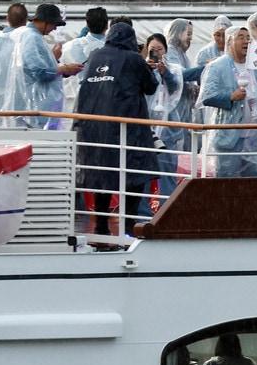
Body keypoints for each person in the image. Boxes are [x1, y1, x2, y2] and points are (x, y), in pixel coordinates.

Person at [76, 20, 158, 229]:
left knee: (101, 176)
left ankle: (101, 223)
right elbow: (150, 87)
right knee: (135, 174)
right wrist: (149, 69)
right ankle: (129, 223)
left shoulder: (95, 56)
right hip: (127, 129)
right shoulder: (132, 58)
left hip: (95, 129)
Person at [198, 24, 257, 178]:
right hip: (228, 139)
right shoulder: (217, 66)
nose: (246, 41)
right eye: (241, 37)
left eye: (248, 38)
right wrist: (230, 97)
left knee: (251, 185)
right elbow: (206, 97)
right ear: (230, 41)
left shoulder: (256, 68)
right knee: (226, 185)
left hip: (254, 139)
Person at [0, 3, 83, 129]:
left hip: (34, 109)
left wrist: (57, 63)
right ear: (45, 22)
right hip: (35, 111)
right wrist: (63, 69)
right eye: (54, 24)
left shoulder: (32, 36)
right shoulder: (32, 37)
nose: (54, 29)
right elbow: (39, 72)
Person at [159, 18, 203, 196]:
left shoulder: (183, 54)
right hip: (171, 113)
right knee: (169, 159)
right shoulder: (169, 52)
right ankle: (167, 199)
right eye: (188, 34)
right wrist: (204, 68)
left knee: (179, 159)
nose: (190, 39)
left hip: (183, 113)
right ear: (177, 33)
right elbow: (179, 76)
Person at [142, 31, 182, 200]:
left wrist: (165, 73)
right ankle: (141, 212)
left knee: (167, 169)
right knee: (143, 170)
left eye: (159, 49)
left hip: (167, 126)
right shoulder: (141, 68)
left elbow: (175, 89)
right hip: (146, 126)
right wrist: (147, 71)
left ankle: (166, 209)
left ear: (166, 50)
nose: (156, 52)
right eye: (152, 49)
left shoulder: (174, 69)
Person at [59, 6, 109, 116]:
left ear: (87, 23)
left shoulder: (67, 47)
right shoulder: (114, 50)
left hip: (73, 104)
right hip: (105, 105)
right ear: (107, 25)